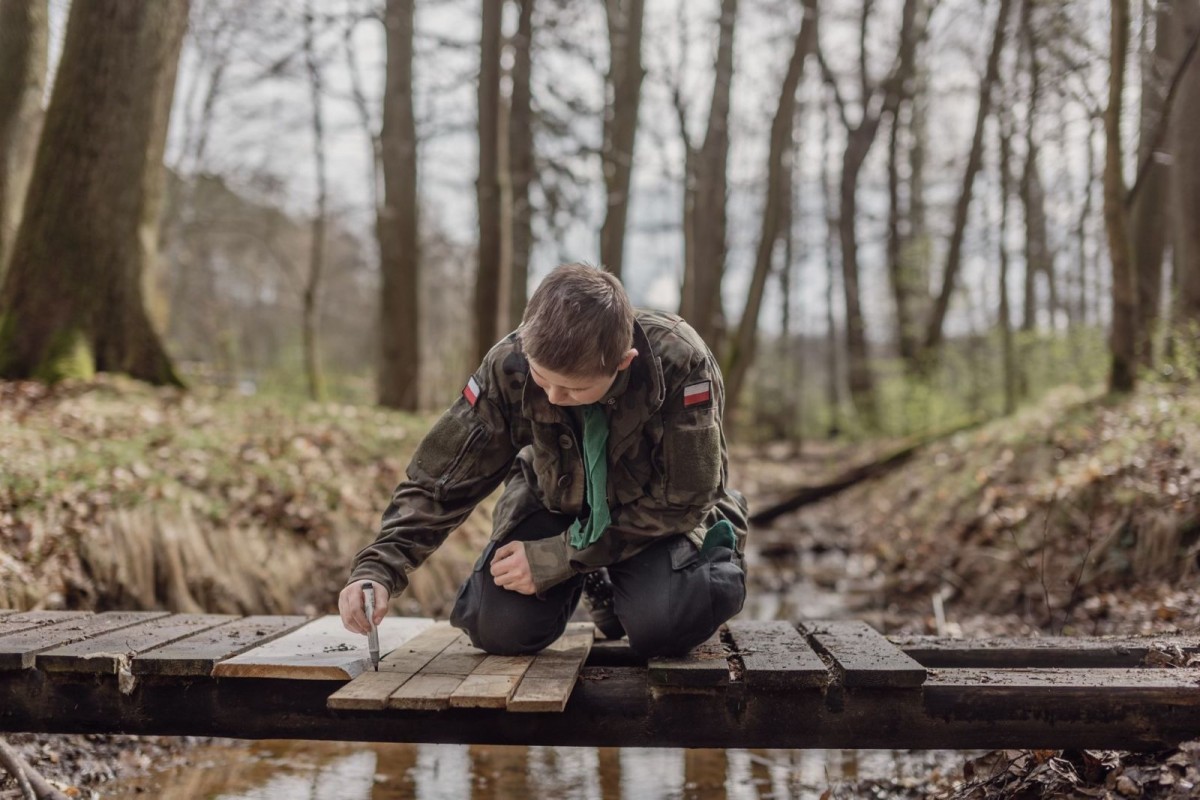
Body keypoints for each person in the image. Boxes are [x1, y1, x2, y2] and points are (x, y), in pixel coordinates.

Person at [338, 263, 748, 657]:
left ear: (623, 362)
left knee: (666, 627)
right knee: (497, 630)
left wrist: (558, 558)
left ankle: (718, 535)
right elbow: (440, 481)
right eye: (542, 378)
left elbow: (685, 499)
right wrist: (378, 568)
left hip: (651, 512)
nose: (552, 397)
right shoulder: (509, 363)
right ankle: (595, 577)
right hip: (555, 495)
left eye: (572, 388)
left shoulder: (679, 363)